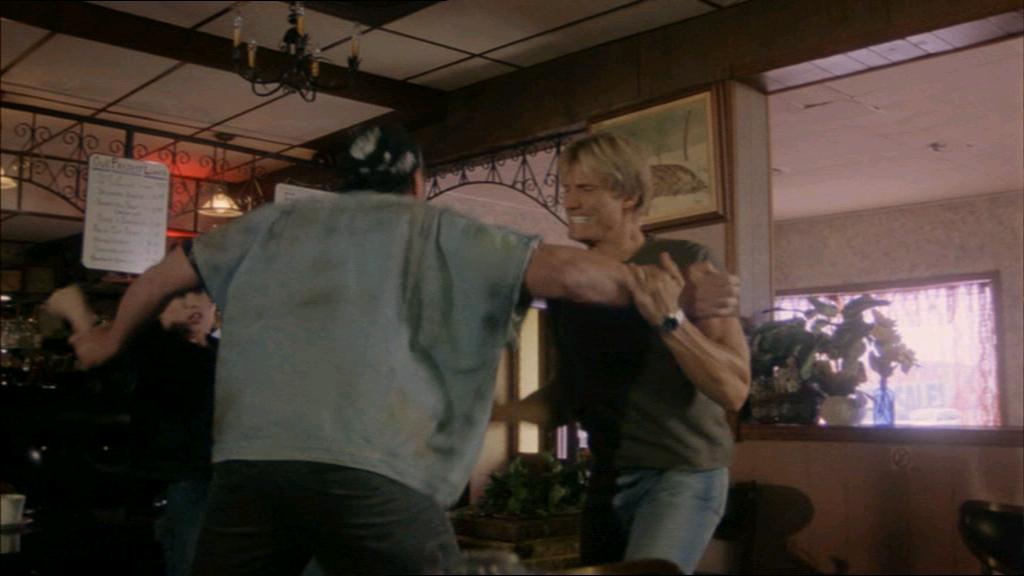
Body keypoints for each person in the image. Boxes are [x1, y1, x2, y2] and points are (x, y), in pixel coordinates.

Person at [68, 124, 660, 576]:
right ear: (418, 182)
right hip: (375, 471)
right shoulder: (438, 229)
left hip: (250, 472)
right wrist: (659, 288)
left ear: (344, 181)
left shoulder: (270, 224)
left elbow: (159, 278)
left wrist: (107, 339)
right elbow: (571, 275)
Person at [494, 132, 751, 574]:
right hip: (606, 476)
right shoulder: (570, 285)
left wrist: (669, 319)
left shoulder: (685, 261)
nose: (570, 202)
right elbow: (568, 393)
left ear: (629, 195)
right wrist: (493, 414)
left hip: (683, 475)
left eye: (586, 188)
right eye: (567, 189)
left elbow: (733, 390)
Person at [45, 284, 219, 576]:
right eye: (178, 296)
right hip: (180, 480)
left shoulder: (222, 352)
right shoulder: (153, 346)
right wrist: (79, 315)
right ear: (157, 309)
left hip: (222, 481)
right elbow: (103, 360)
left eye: (202, 295)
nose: (192, 304)